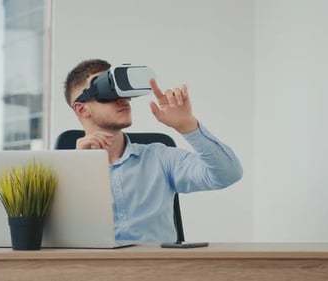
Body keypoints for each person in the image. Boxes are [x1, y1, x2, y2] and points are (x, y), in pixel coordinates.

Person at [64, 59, 242, 242]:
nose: (122, 98)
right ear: (82, 109)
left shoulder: (160, 159)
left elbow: (228, 174)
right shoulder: (61, 173)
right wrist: (79, 169)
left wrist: (189, 126)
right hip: (91, 268)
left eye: (122, 90)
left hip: (157, 268)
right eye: (107, 91)